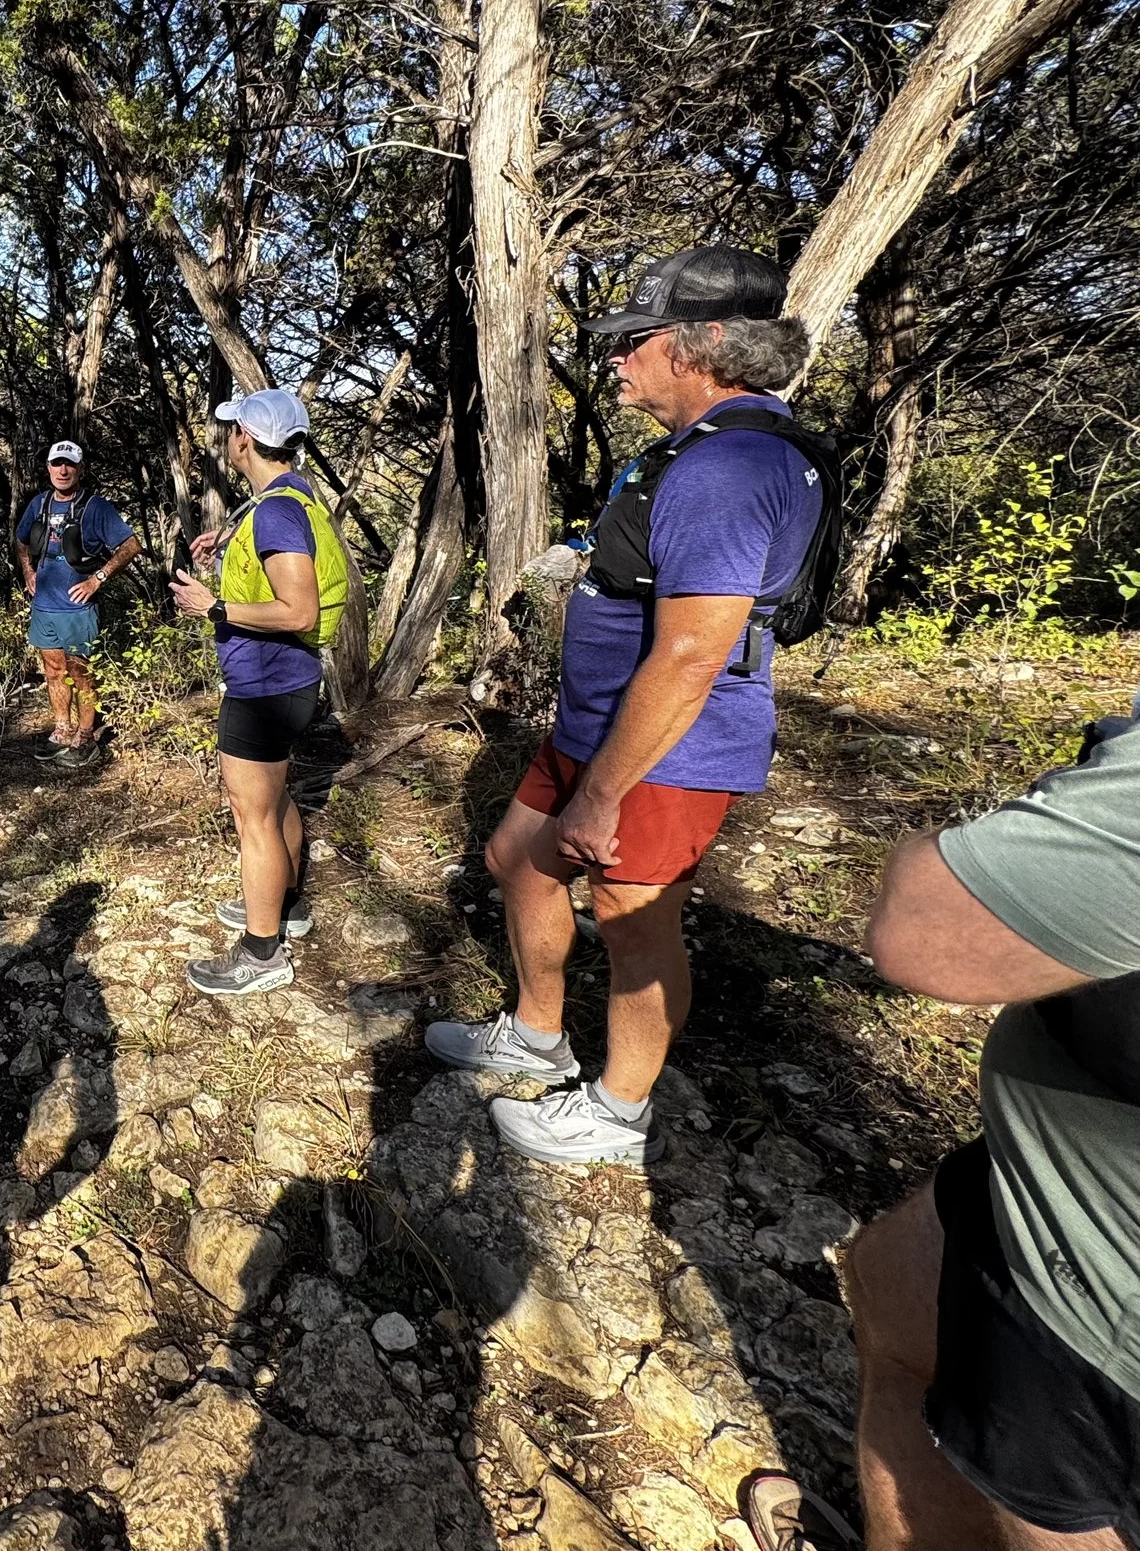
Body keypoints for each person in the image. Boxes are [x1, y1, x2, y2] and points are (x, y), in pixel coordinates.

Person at [422, 246, 827, 1166]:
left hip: (661, 749)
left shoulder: (730, 468)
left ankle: (618, 1110)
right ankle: (535, 1030)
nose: (616, 357)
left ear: (704, 343)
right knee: (516, 860)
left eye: (635, 339)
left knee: (634, 920)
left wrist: (604, 791)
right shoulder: (698, 453)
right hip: (596, 725)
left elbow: (690, 653)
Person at [733, 707, 1140, 1551]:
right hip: (1040, 1175)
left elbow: (923, 926)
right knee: (891, 1285)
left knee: (1053, 1507)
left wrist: (940, 838)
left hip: (1103, 1287)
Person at [174, 391, 351, 997]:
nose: (227, 439)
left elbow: (297, 607)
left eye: (232, 431)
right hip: (290, 681)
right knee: (275, 804)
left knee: (252, 818)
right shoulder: (287, 497)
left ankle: (260, 951)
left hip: (264, 686)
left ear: (245, 440)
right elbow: (280, 558)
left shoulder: (275, 512)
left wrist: (214, 604)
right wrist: (227, 542)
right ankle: (287, 905)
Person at [13, 440, 140, 766]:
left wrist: (98, 578)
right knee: (53, 670)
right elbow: (20, 538)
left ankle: (85, 735)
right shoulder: (39, 504)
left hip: (78, 609)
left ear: (81, 469)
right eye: (57, 463)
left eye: (70, 464)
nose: (63, 470)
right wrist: (28, 570)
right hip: (45, 608)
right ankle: (62, 728)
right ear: (49, 467)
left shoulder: (95, 507)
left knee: (81, 672)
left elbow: (131, 545)